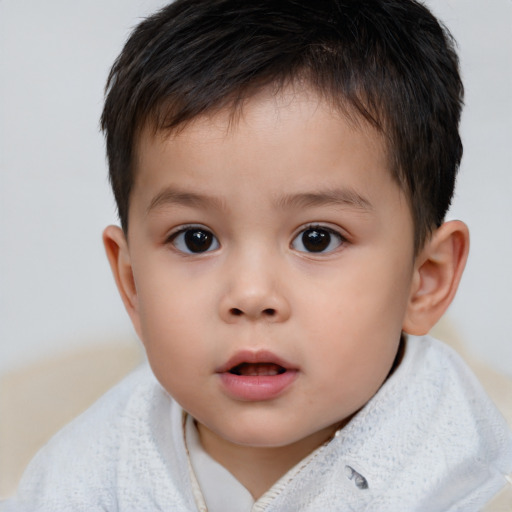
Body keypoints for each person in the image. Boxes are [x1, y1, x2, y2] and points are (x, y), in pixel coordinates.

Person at [3, 0, 511, 510]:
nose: (250, 294)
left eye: (317, 238)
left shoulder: (478, 482)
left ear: (425, 279)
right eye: (195, 239)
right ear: (132, 283)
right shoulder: (79, 478)